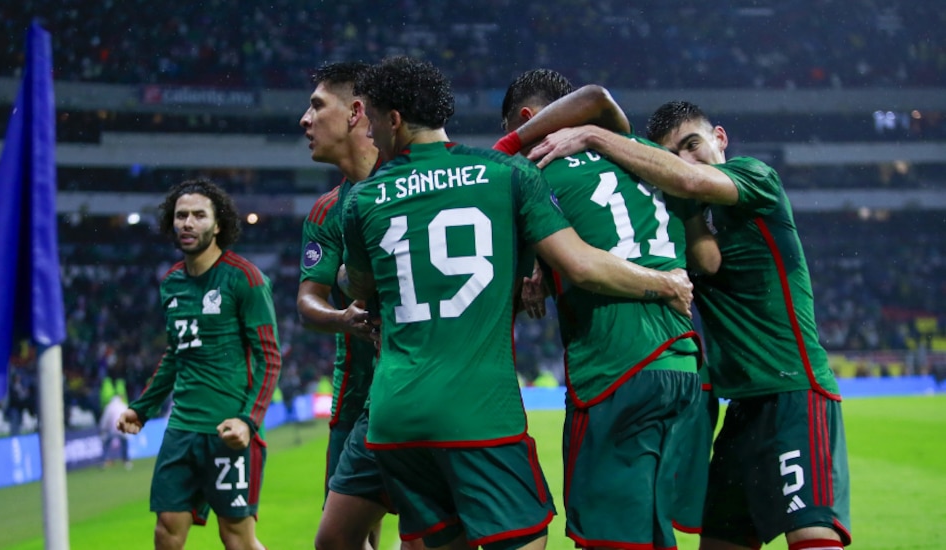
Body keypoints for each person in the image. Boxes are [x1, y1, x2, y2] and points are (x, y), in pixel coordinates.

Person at [342, 56, 693, 550]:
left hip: (396, 416)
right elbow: (583, 263)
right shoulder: (506, 173)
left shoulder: (362, 198)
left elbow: (357, 285)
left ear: (393, 119)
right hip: (484, 410)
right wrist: (667, 284)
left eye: (372, 120)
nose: (370, 134)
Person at [523, 100, 852, 550]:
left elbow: (690, 180)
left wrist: (594, 136)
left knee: (811, 530)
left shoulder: (756, 177)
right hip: (740, 405)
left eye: (693, 144)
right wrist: (546, 264)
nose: (688, 159)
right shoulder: (684, 220)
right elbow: (703, 258)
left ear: (720, 137)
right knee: (720, 539)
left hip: (792, 387)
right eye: (674, 154)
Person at [500, 69, 702, 550]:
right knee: (652, 532)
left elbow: (583, 263)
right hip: (682, 364)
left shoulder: (532, 172)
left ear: (528, 119)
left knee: (609, 538)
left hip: (617, 367)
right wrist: (546, 276)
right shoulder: (641, 153)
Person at [117, 179, 281, 550]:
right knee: (166, 530)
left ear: (218, 224)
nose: (188, 223)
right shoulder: (171, 283)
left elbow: (270, 358)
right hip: (181, 430)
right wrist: (142, 408)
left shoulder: (245, 279)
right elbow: (176, 353)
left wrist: (248, 421)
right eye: (181, 216)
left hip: (228, 429)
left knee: (236, 536)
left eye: (198, 215)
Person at [297, 60, 421, 550]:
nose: (304, 120)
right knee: (347, 537)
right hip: (356, 395)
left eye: (315, 106)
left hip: (421, 385)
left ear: (354, 112)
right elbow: (309, 300)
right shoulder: (328, 210)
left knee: (423, 534)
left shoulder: (417, 184)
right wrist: (342, 318)